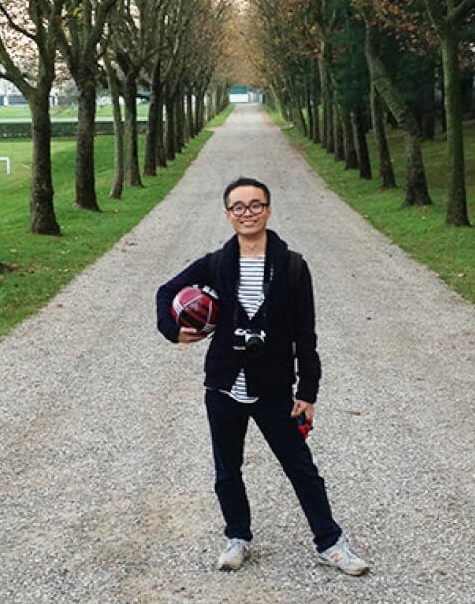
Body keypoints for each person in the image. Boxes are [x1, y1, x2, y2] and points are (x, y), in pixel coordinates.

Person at [155, 177, 369, 576]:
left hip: (273, 386)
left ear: (268, 210)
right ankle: (237, 537)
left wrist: (308, 391)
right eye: (238, 206)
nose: (247, 213)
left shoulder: (293, 266)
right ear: (228, 215)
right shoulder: (216, 264)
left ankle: (330, 543)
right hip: (223, 385)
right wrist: (173, 331)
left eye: (255, 205)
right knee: (227, 470)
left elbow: (305, 335)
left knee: (301, 467)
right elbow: (166, 291)